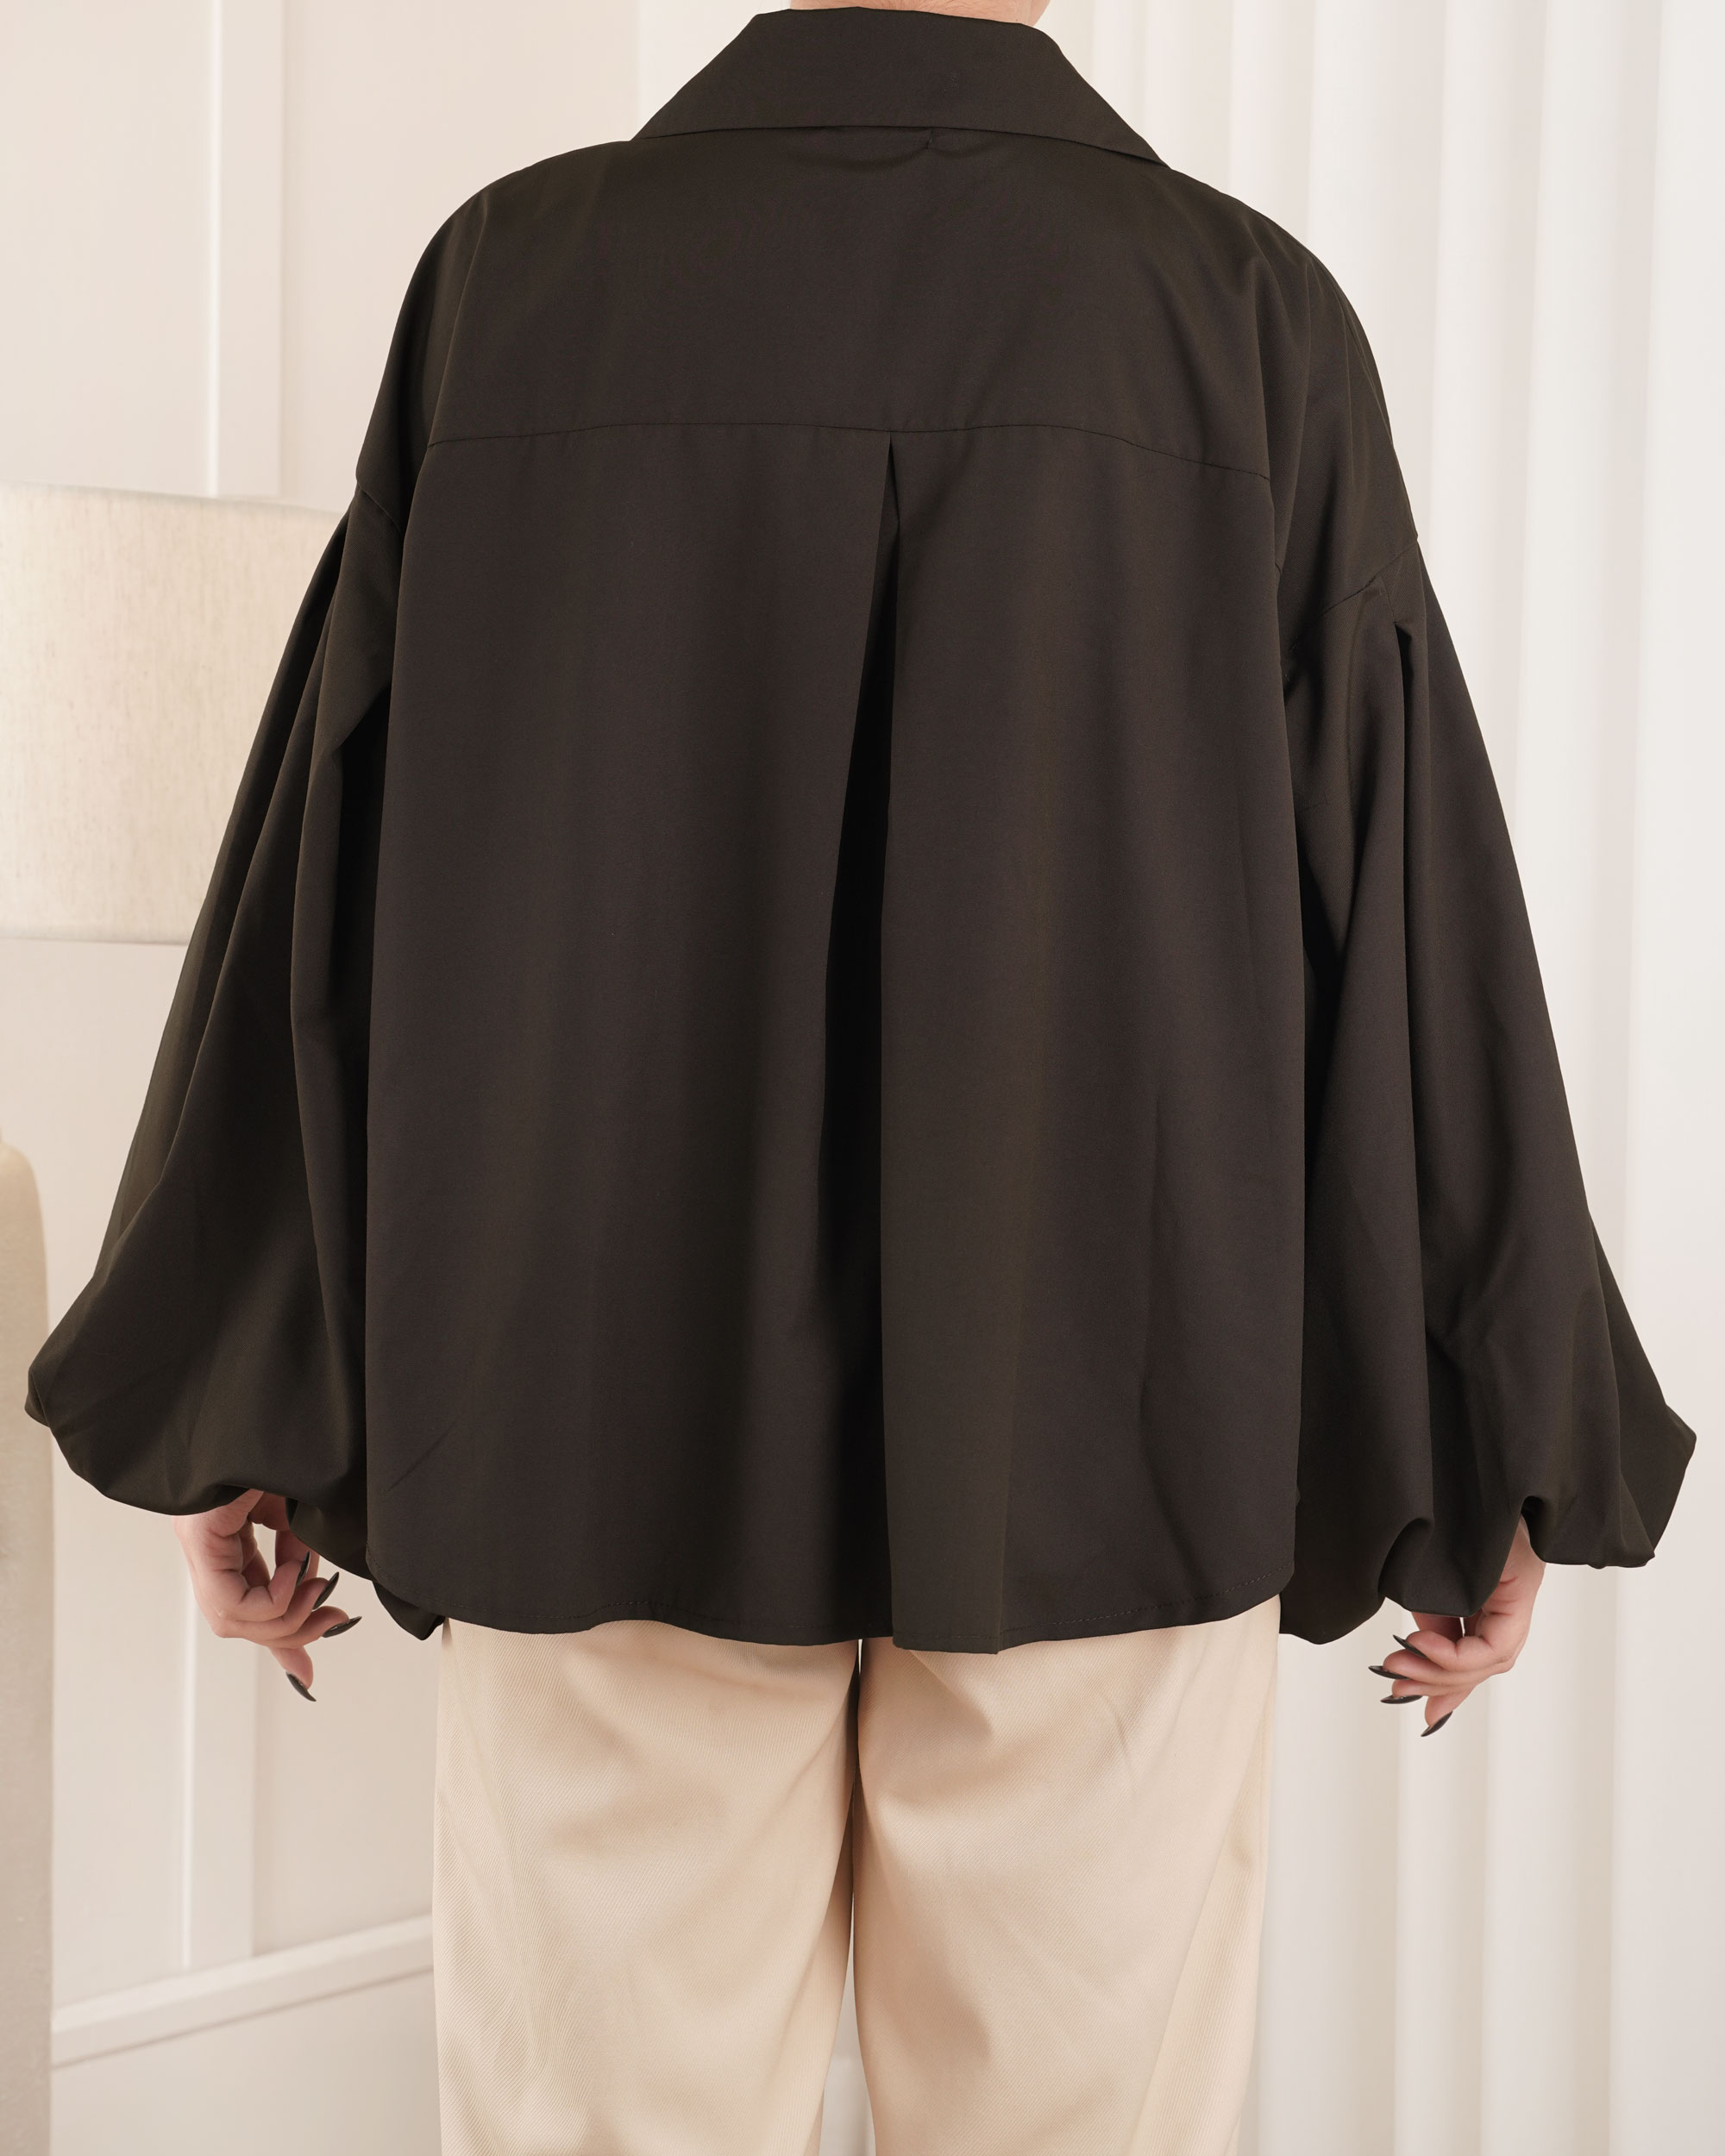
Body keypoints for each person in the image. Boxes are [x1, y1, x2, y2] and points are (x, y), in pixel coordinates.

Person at [26, 3, 1694, 2150]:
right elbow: (1404, 903)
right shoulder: (1242, 319)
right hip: (1107, 1442)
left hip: (596, 1436)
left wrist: (248, 1375)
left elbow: (323, 884)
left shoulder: (512, 286)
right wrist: (1496, 1426)